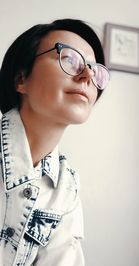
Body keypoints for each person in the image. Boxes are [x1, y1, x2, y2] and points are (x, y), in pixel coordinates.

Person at [0, 18, 109, 266]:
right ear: (20, 79)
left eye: (94, 69)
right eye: (70, 58)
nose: (87, 76)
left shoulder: (66, 187)